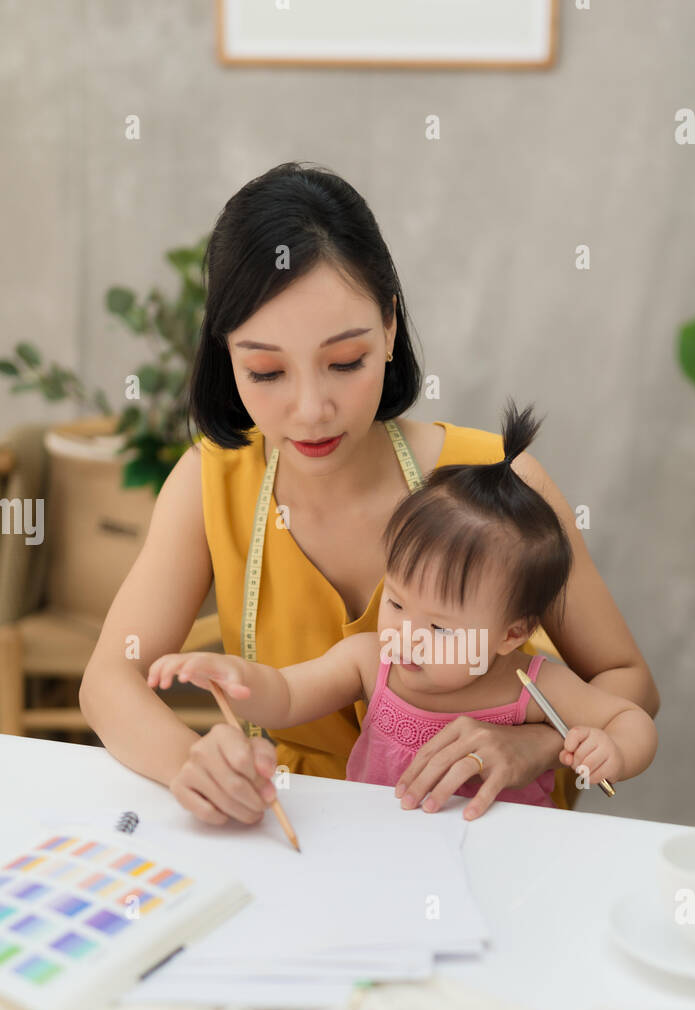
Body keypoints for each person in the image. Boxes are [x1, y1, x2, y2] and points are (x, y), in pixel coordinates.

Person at [79, 161, 659, 828]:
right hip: (307, 833)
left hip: (483, 833)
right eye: (265, 370)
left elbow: (627, 683)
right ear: (226, 356)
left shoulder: (499, 483)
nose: (310, 410)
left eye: (345, 361)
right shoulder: (212, 480)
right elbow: (107, 682)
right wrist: (191, 762)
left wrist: (534, 742)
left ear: (388, 328)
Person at [147, 399, 658, 813]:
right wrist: (231, 676)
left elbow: (632, 719)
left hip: (505, 864)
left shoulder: (535, 687)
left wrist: (610, 751)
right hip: (384, 856)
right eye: (394, 601)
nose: (406, 635)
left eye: (439, 627)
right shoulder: (371, 661)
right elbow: (282, 694)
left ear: (510, 634)